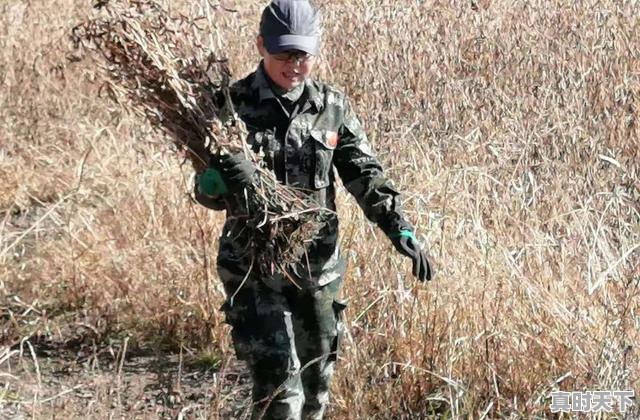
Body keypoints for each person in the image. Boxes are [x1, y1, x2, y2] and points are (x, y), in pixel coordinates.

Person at [194, 1, 433, 418]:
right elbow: (206, 193)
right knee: (279, 391)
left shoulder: (331, 107)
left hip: (317, 271)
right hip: (254, 272)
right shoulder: (230, 106)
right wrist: (221, 181)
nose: (293, 65)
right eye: (283, 54)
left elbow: (365, 176)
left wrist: (401, 230)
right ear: (260, 46)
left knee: (315, 388)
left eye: (302, 55)